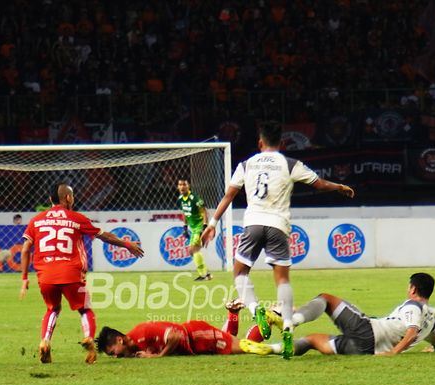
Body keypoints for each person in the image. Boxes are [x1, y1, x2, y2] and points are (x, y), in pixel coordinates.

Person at [201, 120, 355, 359]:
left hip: (252, 223)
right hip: (278, 225)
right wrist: (339, 186)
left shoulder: (246, 164)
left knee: (240, 274)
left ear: (260, 142)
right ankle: (286, 327)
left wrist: (212, 224)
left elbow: (229, 195)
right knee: (282, 279)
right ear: (281, 143)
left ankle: (256, 311)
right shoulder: (290, 163)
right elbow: (319, 184)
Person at [20, 182, 144, 364]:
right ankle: (88, 337)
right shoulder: (76, 218)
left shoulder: (36, 220)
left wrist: (24, 278)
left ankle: (45, 342)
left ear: (49, 200)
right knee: (85, 309)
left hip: (45, 275)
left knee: (52, 309)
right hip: (71, 273)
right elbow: (104, 236)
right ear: (68, 198)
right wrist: (127, 244)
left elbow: (25, 250)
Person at [240, 272, 435, 357]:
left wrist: (395, 353)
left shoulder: (413, 306)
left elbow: (412, 329)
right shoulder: (433, 321)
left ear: (413, 289)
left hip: (369, 331)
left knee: (326, 298)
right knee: (312, 340)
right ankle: (271, 349)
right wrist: (434, 351)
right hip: (366, 351)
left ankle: (290, 320)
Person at [97, 319, 254, 357]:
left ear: (119, 340)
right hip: (196, 341)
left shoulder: (143, 332)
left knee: (246, 348)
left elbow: (175, 336)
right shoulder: (130, 348)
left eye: (112, 352)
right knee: (237, 343)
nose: (115, 356)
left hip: (198, 335)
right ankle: (233, 313)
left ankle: (270, 318)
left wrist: (158, 356)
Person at [177, 178, 212, 281]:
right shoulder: (180, 199)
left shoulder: (194, 198)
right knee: (193, 251)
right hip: (193, 228)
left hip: (199, 227)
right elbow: (184, 213)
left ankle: (204, 274)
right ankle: (206, 274)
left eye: (184, 184)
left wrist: (205, 226)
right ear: (178, 187)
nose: (182, 187)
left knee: (192, 250)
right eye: (180, 185)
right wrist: (185, 226)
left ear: (188, 186)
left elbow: (204, 211)